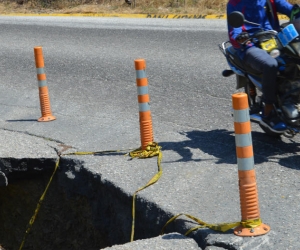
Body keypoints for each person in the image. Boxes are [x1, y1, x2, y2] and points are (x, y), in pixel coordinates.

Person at [227, 0, 300, 133]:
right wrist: (240, 37)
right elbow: (234, 31)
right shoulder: (235, 3)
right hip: (250, 45)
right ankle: (268, 110)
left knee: (294, 59)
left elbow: (291, 10)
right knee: (270, 65)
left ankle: (291, 96)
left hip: (275, 41)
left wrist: (297, 13)